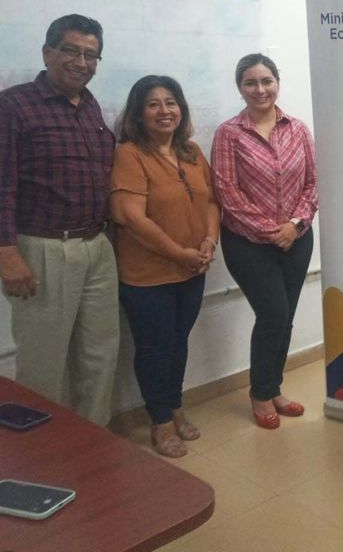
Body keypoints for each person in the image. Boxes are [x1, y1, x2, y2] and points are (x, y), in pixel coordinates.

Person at [0, 14, 119, 425]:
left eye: (91, 55)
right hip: (44, 250)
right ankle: (45, 454)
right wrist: (6, 254)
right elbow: (2, 184)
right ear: (48, 52)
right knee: (43, 363)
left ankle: (94, 442)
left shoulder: (89, 105)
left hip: (97, 247)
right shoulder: (13, 106)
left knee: (99, 355)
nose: (81, 62)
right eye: (71, 50)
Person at [111, 76, 220, 457]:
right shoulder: (129, 154)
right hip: (147, 277)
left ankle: (175, 407)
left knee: (178, 343)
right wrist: (180, 253)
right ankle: (160, 421)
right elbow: (131, 217)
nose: (164, 111)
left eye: (171, 102)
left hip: (192, 269)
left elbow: (211, 201)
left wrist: (208, 242)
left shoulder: (191, 151)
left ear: (181, 109)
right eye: (153, 104)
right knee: (155, 349)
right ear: (139, 113)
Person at [211, 53, 318, 430]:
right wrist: (273, 231)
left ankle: (274, 389)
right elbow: (227, 192)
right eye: (251, 82)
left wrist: (295, 225)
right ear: (240, 88)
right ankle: (259, 392)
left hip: (297, 238)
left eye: (267, 81)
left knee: (285, 318)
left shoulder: (298, 129)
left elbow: (313, 182)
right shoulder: (229, 133)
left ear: (277, 83)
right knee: (272, 313)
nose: (260, 89)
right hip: (248, 244)